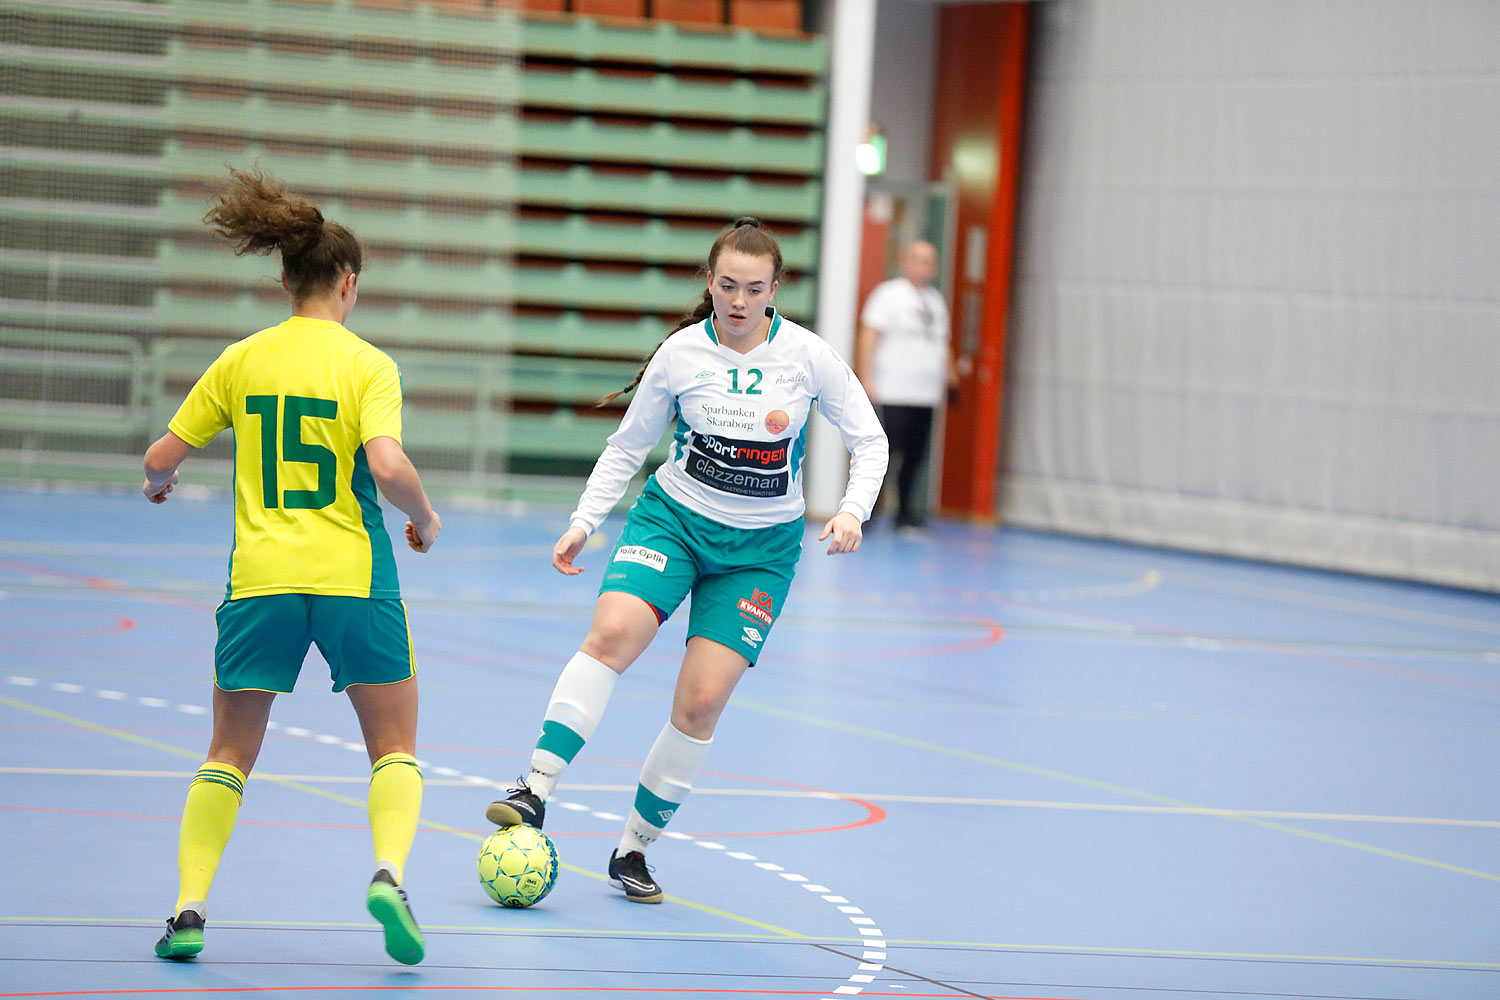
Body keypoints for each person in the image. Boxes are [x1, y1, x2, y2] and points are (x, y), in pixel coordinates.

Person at [483, 217, 887, 903]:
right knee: (612, 634)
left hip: (758, 553)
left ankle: (633, 849)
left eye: (753, 289)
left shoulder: (807, 357)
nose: (737, 300)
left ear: (774, 291)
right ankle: (534, 788)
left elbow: (869, 440)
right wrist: (584, 522)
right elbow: (625, 446)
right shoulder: (680, 355)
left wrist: (852, 511)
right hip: (673, 523)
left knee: (700, 703)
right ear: (709, 282)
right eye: (726, 285)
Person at [141, 168, 441, 965]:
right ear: (348, 284)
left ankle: (190, 909)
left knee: (228, 753)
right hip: (353, 578)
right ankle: (388, 873)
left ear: (285, 280)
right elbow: (386, 464)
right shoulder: (368, 365)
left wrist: (159, 482)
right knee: (394, 747)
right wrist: (425, 516)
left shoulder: (242, 359)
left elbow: (161, 455)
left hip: (261, 582)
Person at [855, 240, 954, 530]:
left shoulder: (936, 300)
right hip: (892, 390)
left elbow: (943, 342)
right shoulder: (888, 294)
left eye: (930, 260)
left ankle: (905, 512)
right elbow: (869, 334)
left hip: (925, 394)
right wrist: (866, 376)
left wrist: (950, 377)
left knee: (915, 454)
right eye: (920, 259)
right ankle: (865, 512)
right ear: (906, 261)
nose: (926, 266)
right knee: (883, 453)